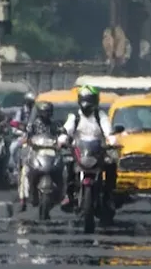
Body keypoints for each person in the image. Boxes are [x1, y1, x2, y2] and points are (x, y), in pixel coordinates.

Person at [60, 85, 115, 213]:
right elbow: (67, 129)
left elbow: (107, 130)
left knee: (111, 164)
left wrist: (111, 138)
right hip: (79, 152)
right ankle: (69, 194)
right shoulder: (75, 117)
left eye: (90, 99)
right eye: (85, 99)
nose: (87, 103)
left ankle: (108, 195)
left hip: (98, 152)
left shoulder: (100, 116)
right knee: (68, 164)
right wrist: (63, 138)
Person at [18, 101, 59, 211]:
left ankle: (63, 193)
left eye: (48, 112)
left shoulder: (54, 125)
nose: (47, 114)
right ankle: (23, 198)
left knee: (62, 168)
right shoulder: (33, 125)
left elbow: (59, 135)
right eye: (44, 112)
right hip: (36, 150)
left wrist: (62, 140)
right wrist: (26, 139)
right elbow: (27, 135)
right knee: (25, 170)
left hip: (51, 151)